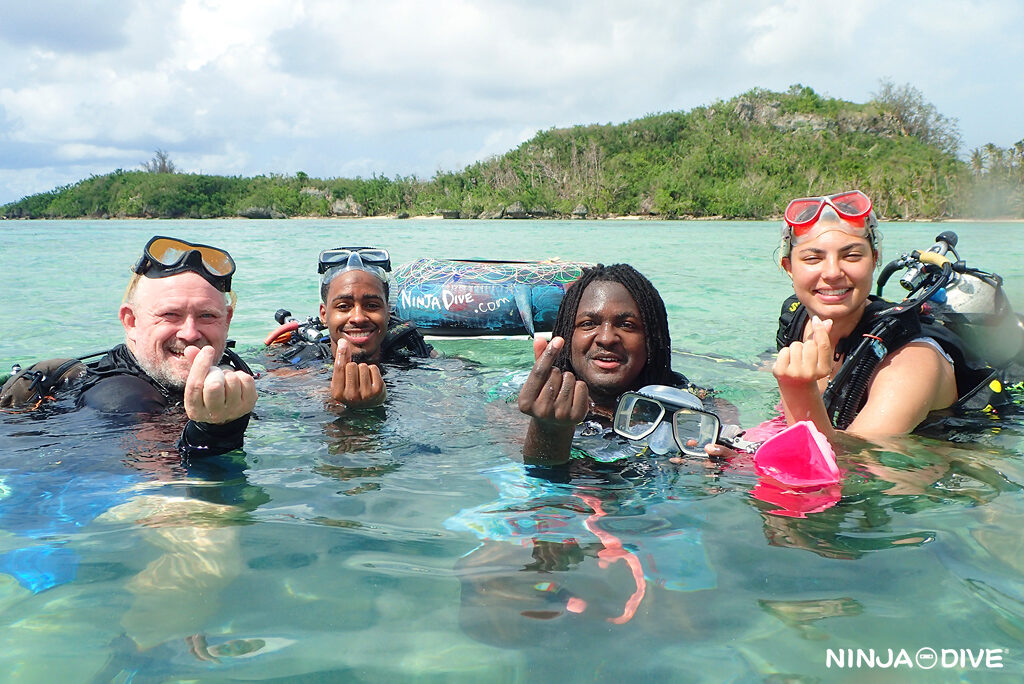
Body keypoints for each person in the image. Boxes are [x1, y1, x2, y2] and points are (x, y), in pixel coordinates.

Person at [0, 236, 256, 458]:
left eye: (207, 316)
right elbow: (156, 492)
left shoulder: (231, 369)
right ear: (131, 321)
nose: (189, 333)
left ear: (227, 320)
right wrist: (215, 434)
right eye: (170, 315)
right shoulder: (120, 402)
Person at [772, 190, 985, 440]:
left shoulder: (911, 363)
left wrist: (797, 390)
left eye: (851, 255)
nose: (832, 272)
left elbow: (847, 464)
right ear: (789, 267)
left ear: (874, 260)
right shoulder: (796, 319)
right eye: (812, 258)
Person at [518, 263, 713, 465]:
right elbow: (522, 479)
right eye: (588, 324)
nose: (606, 338)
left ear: (652, 339)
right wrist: (547, 428)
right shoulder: (520, 408)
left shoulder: (698, 408)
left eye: (627, 325)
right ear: (567, 334)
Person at [286, 247, 434, 409]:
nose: (358, 317)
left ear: (388, 312)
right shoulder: (299, 371)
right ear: (324, 315)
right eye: (343, 306)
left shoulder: (414, 356)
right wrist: (332, 401)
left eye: (371, 305)